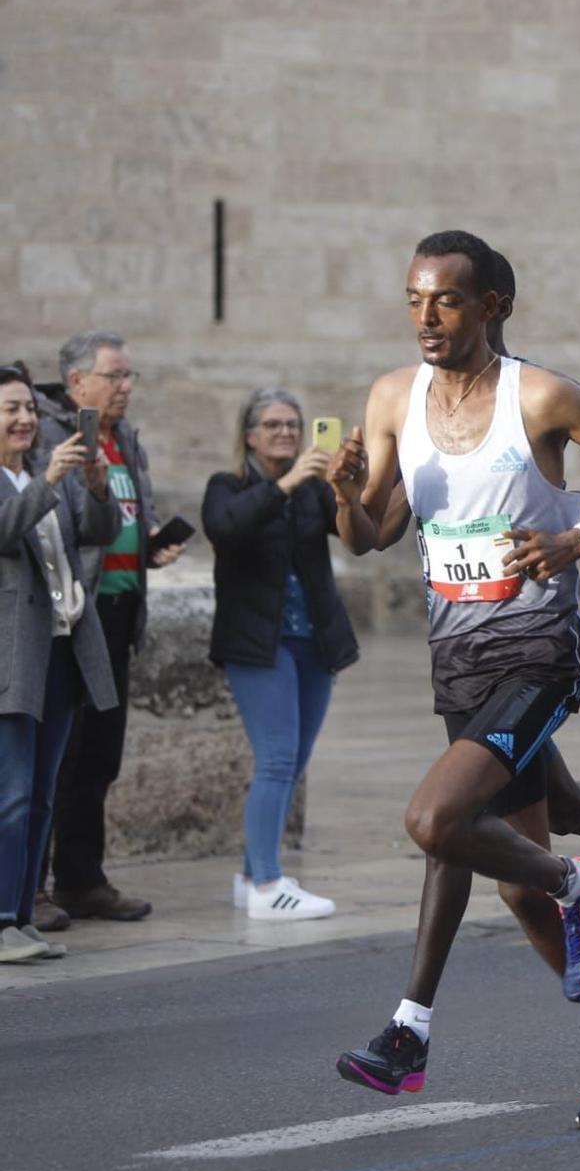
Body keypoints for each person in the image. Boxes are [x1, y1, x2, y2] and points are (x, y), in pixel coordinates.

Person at [326, 229, 580, 1129]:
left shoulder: (538, 395)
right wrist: (347, 493)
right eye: (416, 299)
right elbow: (372, 532)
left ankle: (573, 899)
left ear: (493, 305)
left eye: (449, 300)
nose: (428, 317)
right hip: (457, 655)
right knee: (540, 823)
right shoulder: (394, 396)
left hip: (539, 649)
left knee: (440, 821)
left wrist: (578, 539)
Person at [36, 331, 185, 925]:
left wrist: (149, 548)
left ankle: (81, 879)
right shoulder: (54, 437)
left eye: (130, 377)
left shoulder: (126, 440)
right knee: (60, 754)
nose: (126, 388)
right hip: (74, 616)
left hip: (121, 610)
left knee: (100, 755)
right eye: (114, 376)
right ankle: (35, 886)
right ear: (78, 383)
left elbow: (122, 521)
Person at [203, 388, 360, 921]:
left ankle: (252, 877)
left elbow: (353, 533)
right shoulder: (228, 486)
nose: (286, 434)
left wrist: (344, 487)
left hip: (312, 645)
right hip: (257, 646)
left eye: (293, 425)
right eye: (272, 425)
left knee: (291, 763)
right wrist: (286, 483)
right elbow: (225, 529)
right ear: (249, 435)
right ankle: (270, 885)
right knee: (274, 759)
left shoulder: (314, 489)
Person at [0, 363, 118, 963]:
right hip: (14, 657)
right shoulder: (27, 480)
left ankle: (21, 917)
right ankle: (0, 919)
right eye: (10, 410)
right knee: (12, 794)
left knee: (43, 794)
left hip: (63, 650)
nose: (24, 419)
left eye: (26, 408)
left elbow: (99, 532)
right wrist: (46, 479)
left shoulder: (49, 474)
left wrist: (96, 486)